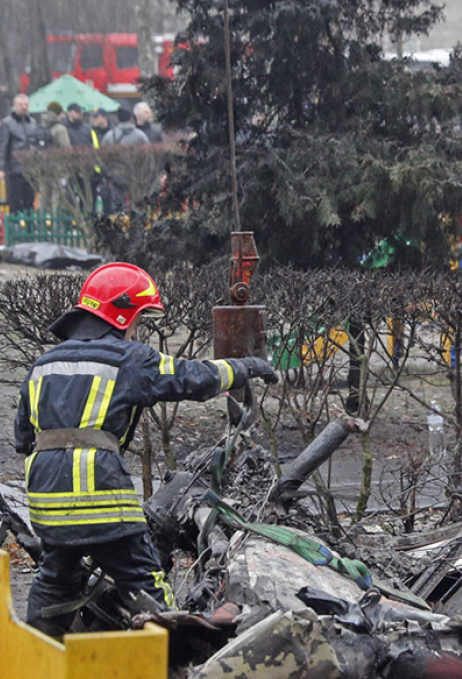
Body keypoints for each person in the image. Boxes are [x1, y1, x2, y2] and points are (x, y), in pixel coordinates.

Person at [15, 262, 278, 637]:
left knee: (55, 582)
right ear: (123, 314)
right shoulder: (128, 360)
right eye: (139, 319)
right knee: (144, 578)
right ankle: (174, 653)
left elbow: (23, 438)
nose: (137, 330)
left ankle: (34, 657)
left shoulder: (42, 365)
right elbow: (195, 379)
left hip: (47, 506)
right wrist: (246, 366)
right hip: (103, 503)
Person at [0, 93, 38, 213]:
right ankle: (15, 226)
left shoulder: (33, 123)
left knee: (30, 200)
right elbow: (3, 147)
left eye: (26, 104)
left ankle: (29, 228)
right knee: (15, 199)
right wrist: (1, 168)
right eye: (21, 104)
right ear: (15, 106)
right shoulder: (7, 123)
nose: (24, 107)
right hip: (15, 168)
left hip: (31, 168)